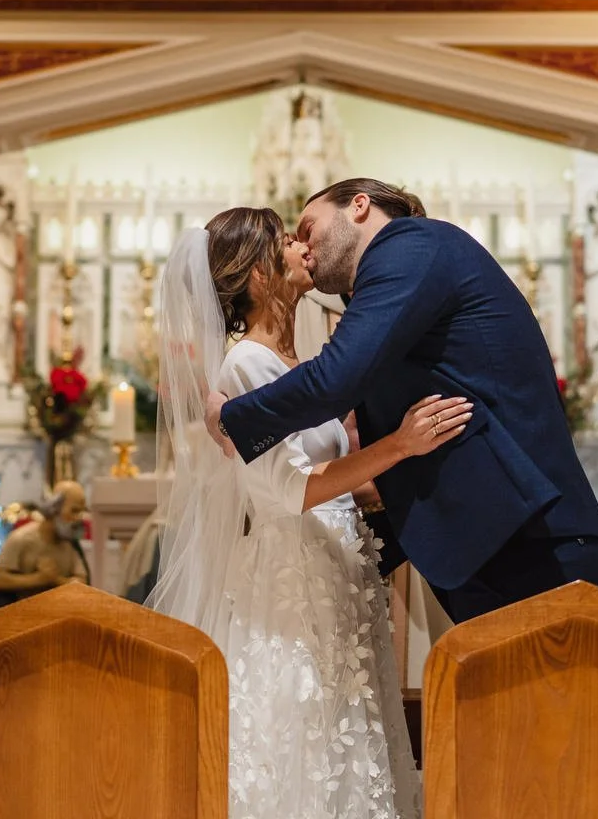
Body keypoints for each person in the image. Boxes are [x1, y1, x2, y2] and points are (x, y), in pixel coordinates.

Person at [153, 207, 468, 819]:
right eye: (285, 241)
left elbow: (334, 468)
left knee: (351, 729)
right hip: (291, 575)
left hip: (336, 566)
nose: (302, 246)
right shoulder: (245, 365)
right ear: (257, 277)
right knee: (305, 732)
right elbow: (284, 491)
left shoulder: (301, 363)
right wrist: (399, 444)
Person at [206, 178, 598, 623]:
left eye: (308, 228)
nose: (304, 245)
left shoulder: (408, 247)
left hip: (534, 543)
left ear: (359, 206)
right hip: (493, 541)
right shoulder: (385, 282)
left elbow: (334, 380)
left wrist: (232, 419)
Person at [0, 481, 90, 607]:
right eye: (74, 511)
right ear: (55, 508)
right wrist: (38, 579)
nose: (78, 518)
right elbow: (0, 580)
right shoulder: (20, 539)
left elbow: (83, 583)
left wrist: (56, 580)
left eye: (81, 511)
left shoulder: (71, 545)